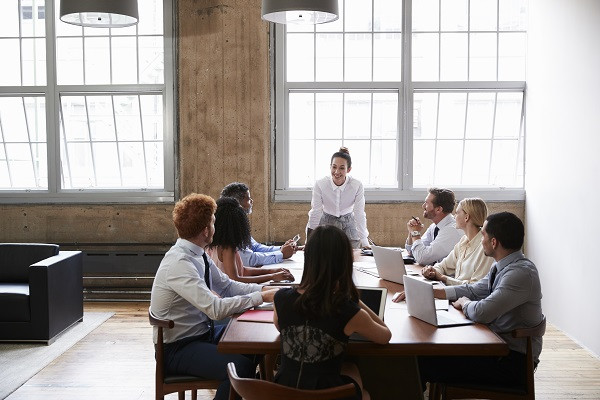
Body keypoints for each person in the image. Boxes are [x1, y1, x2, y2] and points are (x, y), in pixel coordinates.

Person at [149, 193, 279, 400]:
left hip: (200, 334)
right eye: (213, 222)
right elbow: (215, 309)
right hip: (177, 349)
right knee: (240, 367)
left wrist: (263, 290)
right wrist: (261, 297)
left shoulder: (196, 252)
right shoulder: (179, 263)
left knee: (254, 345)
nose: (215, 227)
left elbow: (227, 286)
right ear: (206, 230)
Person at [417, 212, 544, 390]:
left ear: (494, 242)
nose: (480, 239)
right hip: (496, 349)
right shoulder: (501, 265)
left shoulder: (520, 274)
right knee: (427, 354)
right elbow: (474, 290)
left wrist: (464, 303)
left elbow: (482, 312)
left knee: (422, 360)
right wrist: (434, 292)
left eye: (483, 234)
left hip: (512, 362)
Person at [273, 225, 391, 399]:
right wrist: (355, 299)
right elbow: (385, 336)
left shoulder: (280, 298)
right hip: (329, 394)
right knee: (361, 387)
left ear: (308, 258)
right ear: (344, 262)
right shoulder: (349, 311)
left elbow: (279, 327)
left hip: (283, 391)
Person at [207, 197, 294, 284]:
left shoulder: (213, 245)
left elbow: (243, 270)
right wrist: (271, 277)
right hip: (230, 294)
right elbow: (235, 280)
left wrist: (271, 271)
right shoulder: (227, 248)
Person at [420, 198, 494, 285]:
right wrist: (431, 271)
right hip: (457, 294)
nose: (454, 217)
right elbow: (443, 266)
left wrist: (443, 278)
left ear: (466, 217)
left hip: (468, 297)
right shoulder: (464, 240)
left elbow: (475, 287)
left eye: (457, 213)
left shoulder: (485, 247)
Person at [221, 182, 296, 267]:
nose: (252, 201)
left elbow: (255, 247)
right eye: (249, 199)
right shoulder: (230, 227)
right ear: (238, 203)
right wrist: (281, 254)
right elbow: (249, 260)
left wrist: (283, 248)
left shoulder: (239, 223)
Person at [306, 147, 369, 248]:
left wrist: (364, 241)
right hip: (326, 224)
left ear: (349, 169)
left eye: (342, 168)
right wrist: (309, 241)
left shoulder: (356, 185)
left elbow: (359, 213)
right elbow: (315, 212)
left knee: (351, 259)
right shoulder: (320, 184)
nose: (336, 171)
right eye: (334, 167)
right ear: (330, 167)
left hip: (349, 224)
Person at [405, 188, 463, 265]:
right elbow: (412, 251)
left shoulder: (452, 230)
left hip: (448, 276)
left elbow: (422, 258)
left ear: (438, 209)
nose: (423, 206)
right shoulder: (434, 227)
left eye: (426, 203)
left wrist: (415, 233)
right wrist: (411, 232)